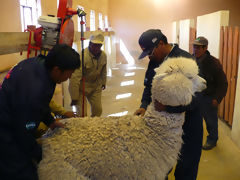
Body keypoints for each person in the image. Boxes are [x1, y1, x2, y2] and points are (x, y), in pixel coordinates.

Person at [0, 44, 80, 180]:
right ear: (57, 70)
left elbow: (40, 104)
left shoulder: (41, 64)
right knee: (22, 172)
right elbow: (23, 132)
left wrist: (50, 121)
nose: (70, 76)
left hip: (14, 115)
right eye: (70, 73)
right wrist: (42, 154)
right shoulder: (34, 90)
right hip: (6, 130)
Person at [134, 29, 203, 180]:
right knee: (160, 164)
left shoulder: (186, 61)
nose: (149, 57)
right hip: (164, 124)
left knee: (186, 165)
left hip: (188, 122)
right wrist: (144, 105)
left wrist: (170, 108)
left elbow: (197, 98)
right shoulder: (155, 61)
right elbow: (149, 85)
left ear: (160, 43)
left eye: (151, 52)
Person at [193, 36, 228, 150]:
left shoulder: (213, 63)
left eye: (198, 47)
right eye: (194, 47)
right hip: (194, 96)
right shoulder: (191, 60)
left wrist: (217, 99)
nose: (195, 50)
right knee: (194, 119)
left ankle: (212, 140)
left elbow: (223, 83)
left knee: (210, 121)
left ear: (205, 48)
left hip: (208, 98)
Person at [69, 33, 107, 117]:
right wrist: (74, 97)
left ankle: (93, 127)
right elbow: (74, 78)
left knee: (98, 110)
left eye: (99, 45)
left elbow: (104, 70)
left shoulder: (103, 55)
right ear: (90, 44)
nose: (96, 48)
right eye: (94, 45)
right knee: (82, 114)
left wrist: (104, 82)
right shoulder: (82, 57)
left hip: (95, 86)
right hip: (81, 88)